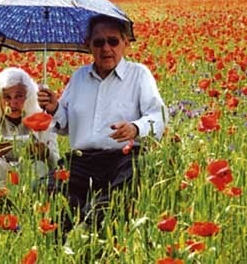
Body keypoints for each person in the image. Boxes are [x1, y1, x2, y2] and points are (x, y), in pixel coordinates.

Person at [38, 14, 167, 233]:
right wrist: (55, 108)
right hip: (81, 161)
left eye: (113, 41)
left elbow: (159, 117)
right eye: (98, 42)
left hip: (124, 159)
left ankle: (90, 229)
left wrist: (136, 128)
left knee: (119, 193)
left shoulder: (139, 75)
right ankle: (66, 233)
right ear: (88, 45)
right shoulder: (79, 77)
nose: (106, 48)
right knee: (46, 189)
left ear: (126, 42)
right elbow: (66, 124)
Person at [0, 67, 59, 188]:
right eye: (7, 97)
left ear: (28, 96)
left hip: (28, 171)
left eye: (19, 96)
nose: (13, 103)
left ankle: (33, 205)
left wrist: (46, 153)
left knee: (39, 166)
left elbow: (56, 161)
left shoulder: (41, 116)